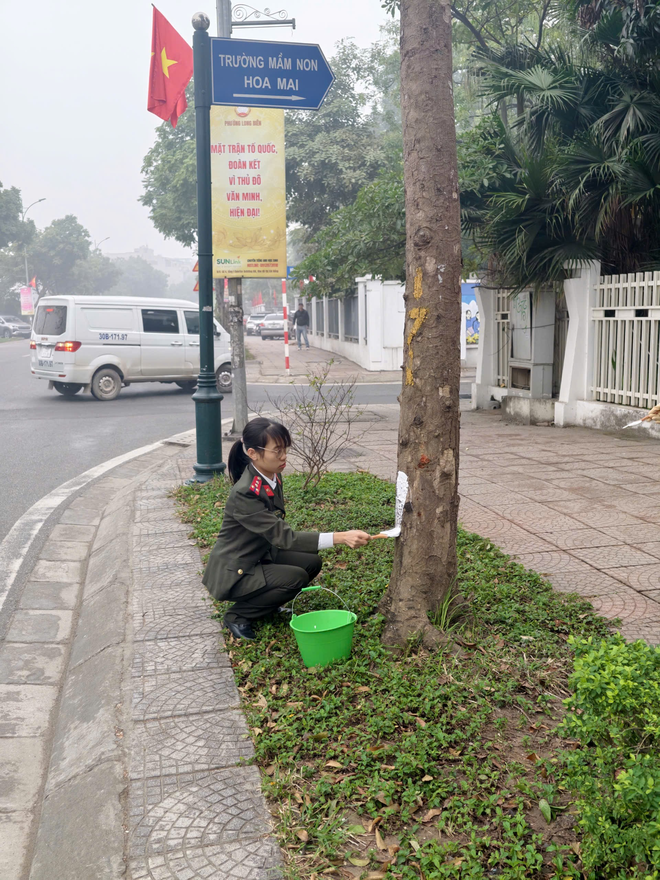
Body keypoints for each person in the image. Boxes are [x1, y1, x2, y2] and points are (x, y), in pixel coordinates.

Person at [202, 417, 371, 641]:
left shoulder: (271, 475)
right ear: (253, 453)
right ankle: (238, 615)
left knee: (312, 562)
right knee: (295, 578)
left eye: (285, 449)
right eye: (277, 451)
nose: (284, 457)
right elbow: (285, 538)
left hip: (260, 554)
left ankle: (268, 604)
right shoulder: (246, 492)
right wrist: (342, 537)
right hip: (237, 568)